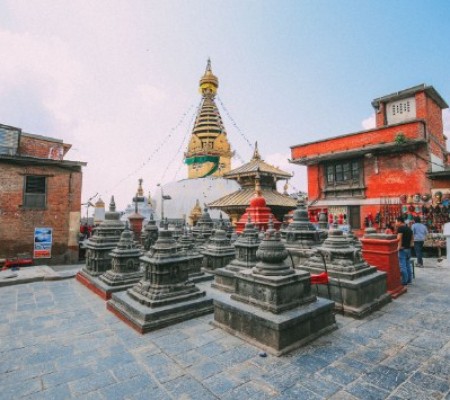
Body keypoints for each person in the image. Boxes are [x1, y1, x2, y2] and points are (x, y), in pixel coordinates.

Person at [396, 216, 414, 285]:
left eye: (396, 222)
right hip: (408, 249)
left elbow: (399, 239)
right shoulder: (409, 229)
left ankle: (404, 281)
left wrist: (399, 247)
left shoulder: (400, 229)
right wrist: (409, 245)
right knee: (408, 265)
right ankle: (409, 280)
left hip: (402, 249)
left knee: (402, 266)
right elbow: (412, 239)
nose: (396, 223)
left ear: (400, 222)